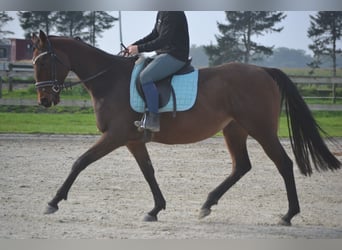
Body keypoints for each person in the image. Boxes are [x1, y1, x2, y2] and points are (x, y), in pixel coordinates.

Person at [127, 11, 190, 132]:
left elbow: (162, 41)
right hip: (163, 54)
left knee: (145, 76)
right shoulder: (162, 12)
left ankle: (153, 119)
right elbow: (154, 34)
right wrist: (134, 45)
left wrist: (139, 48)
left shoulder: (173, 13)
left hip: (175, 55)